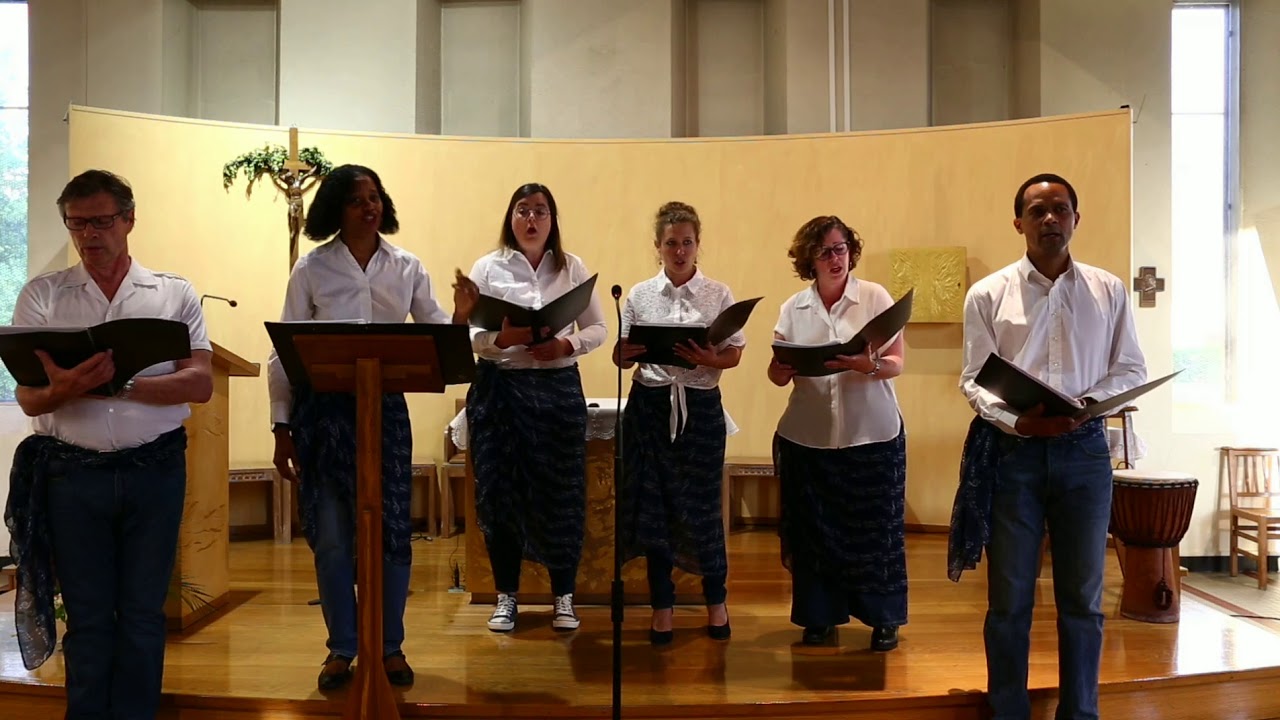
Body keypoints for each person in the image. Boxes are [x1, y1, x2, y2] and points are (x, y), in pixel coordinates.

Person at [3, 169, 213, 718]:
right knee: (90, 616)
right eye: (77, 223)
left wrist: (122, 384)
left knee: (144, 613)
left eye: (101, 221)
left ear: (129, 219)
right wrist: (65, 389)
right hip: (73, 475)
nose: (90, 234)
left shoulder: (173, 293)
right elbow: (29, 399)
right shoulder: (44, 296)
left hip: (156, 471)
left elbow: (201, 382)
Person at [267, 164, 478, 690]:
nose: (371, 206)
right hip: (323, 417)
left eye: (376, 197)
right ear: (336, 207)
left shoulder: (406, 266)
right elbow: (284, 356)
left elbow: (436, 342)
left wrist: (459, 316)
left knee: (390, 534)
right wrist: (281, 428)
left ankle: (389, 648)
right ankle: (341, 648)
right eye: (359, 199)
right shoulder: (312, 269)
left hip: (384, 413)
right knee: (334, 537)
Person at [954, 173, 1145, 720]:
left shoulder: (1108, 290)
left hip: (1084, 451)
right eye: (1037, 211)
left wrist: (1088, 402)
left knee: (1083, 598)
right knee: (1009, 597)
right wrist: (1019, 422)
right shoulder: (987, 293)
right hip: (1013, 453)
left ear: (1076, 219)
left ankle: (1080, 711)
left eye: (1060, 209)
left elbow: (1130, 366)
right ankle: (1008, 709)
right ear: (1018, 222)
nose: (1049, 220)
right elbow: (973, 379)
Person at [467, 182, 607, 634]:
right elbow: (471, 336)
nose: (532, 219)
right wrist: (503, 339)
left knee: (561, 494)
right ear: (510, 217)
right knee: (500, 495)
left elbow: (599, 328)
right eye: (523, 210)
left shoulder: (573, 267)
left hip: (557, 390)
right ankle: (507, 596)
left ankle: (562, 597)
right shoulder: (487, 268)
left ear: (552, 220)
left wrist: (568, 341)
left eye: (541, 211)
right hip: (501, 392)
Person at [766, 215, 908, 652]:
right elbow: (775, 372)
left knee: (875, 533)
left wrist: (871, 367)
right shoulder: (793, 307)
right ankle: (819, 617)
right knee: (815, 535)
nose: (836, 257)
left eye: (842, 247)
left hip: (872, 436)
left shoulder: (874, 297)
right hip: (809, 439)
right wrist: (779, 369)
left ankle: (882, 620)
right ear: (810, 257)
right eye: (825, 250)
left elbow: (897, 362)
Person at [613, 201, 743, 645]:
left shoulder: (718, 293)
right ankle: (662, 608)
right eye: (671, 243)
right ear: (658, 247)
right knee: (655, 512)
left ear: (697, 244)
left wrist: (712, 358)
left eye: (687, 242)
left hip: (700, 408)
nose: (680, 250)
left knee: (703, 511)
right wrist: (624, 353)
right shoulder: (638, 295)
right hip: (649, 406)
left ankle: (716, 603)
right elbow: (621, 353)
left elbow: (734, 352)